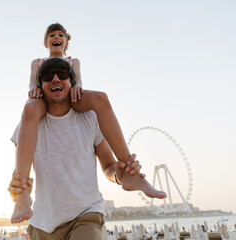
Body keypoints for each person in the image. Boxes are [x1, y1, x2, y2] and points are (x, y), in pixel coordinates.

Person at [12, 23, 166, 224]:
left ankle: (132, 172)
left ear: (66, 42)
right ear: (45, 42)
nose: (56, 37)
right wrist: (35, 89)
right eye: (51, 35)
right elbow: (33, 82)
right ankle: (23, 193)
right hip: (41, 100)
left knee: (101, 98)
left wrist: (76, 86)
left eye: (60, 35)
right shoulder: (37, 63)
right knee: (30, 108)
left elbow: (78, 81)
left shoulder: (73, 62)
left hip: (74, 96)